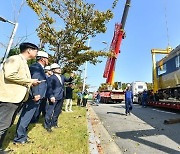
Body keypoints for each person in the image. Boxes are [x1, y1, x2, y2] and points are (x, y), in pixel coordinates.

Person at [0, 42, 40, 152]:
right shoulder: (15, 59)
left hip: (16, 98)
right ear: (29, 50)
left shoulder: (24, 62)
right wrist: (30, 81)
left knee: (7, 124)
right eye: (36, 51)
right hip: (9, 97)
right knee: (2, 125)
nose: (37, 53)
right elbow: (9, 74)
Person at [14, 51, 49, 144]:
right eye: (47, 59)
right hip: (34, 96)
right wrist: (36, 94)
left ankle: (22, 134)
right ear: (42, 59)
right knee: (26, 117)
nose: (48, 61)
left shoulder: (38, 67)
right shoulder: (36, 67)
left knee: (27, 117)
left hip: (36, 95)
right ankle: (19, 138)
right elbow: (34, 81)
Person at [44, 63, 74, 132]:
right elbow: (49, 88)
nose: (60, 69)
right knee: (50, 111)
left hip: (61, 96)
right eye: (58, 68)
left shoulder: (62, 77)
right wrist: (51, 96)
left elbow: (68, 80)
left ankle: (54, 124)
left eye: (59, 68)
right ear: (53, 70)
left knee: (57, 111)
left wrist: (71, 77)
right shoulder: (51, 78)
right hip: (54, 97)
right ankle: (47, 126)